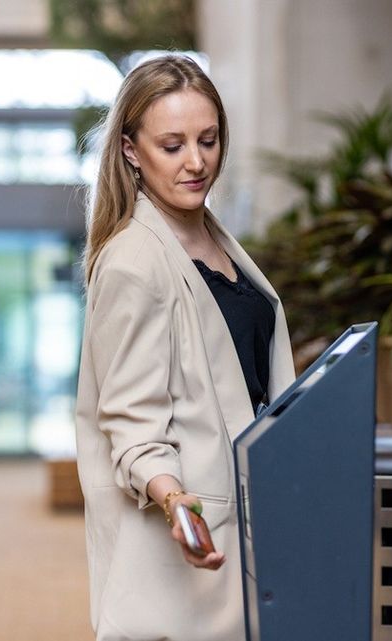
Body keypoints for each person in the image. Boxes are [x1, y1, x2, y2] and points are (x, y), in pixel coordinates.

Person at [75, 55, 296, 641]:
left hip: (246, 520)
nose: (196, 162)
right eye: (172, 145)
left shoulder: (213, 237)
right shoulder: (133, 260)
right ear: (130, 150)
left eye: (208, 140)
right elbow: (129, 417)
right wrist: (176, 503)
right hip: (186, 534)